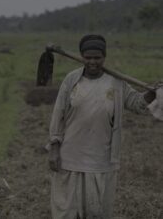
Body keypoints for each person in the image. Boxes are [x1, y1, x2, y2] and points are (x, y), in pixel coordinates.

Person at [48, 34, 156, 219]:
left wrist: (152, 93)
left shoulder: (116, 82)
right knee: (66, 212)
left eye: (97, 58)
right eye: (88, 57)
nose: (92, 62)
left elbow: (137, 104)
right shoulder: (71, 80)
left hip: (101, 159)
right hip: (70, 156)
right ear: (81, 56)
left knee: (96, 212)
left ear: (104, 57)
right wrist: (54, 148)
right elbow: (58, 114)